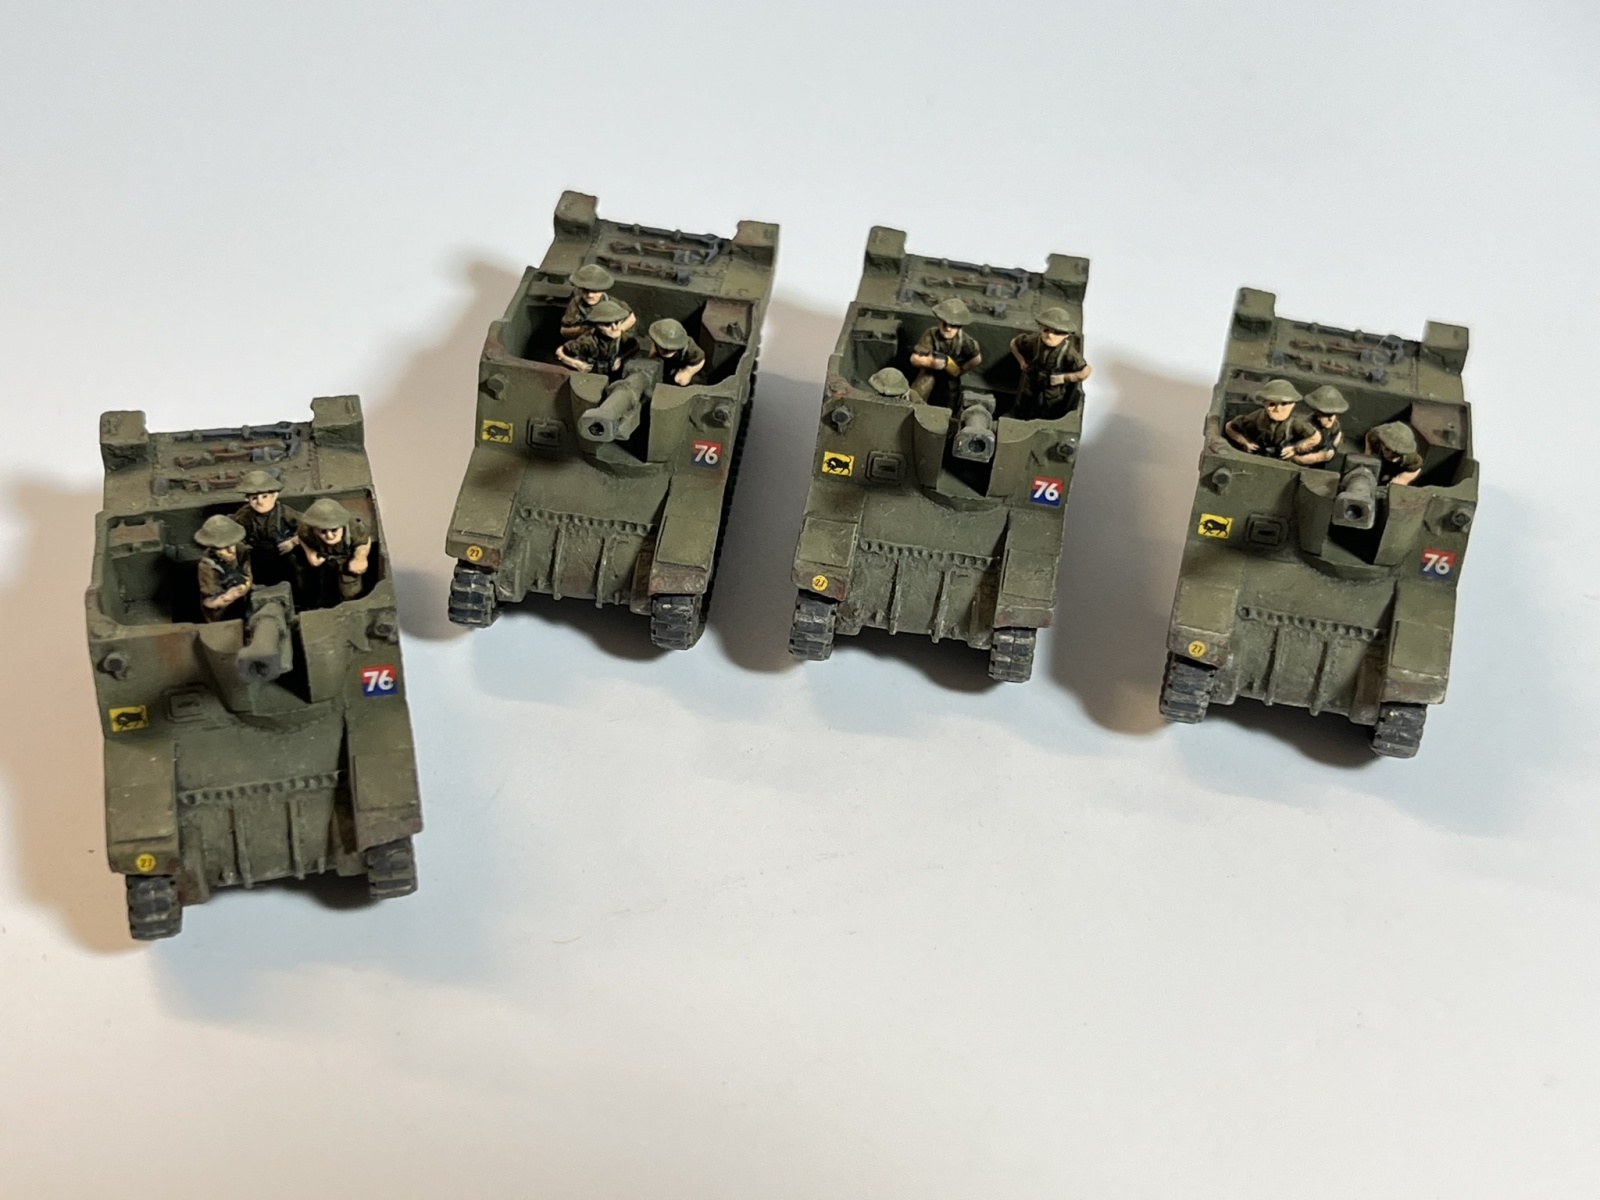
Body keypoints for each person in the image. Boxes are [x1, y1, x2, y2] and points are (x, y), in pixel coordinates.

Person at [1009, 307, 1091, 419]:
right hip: (1033, 375)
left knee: (1052, 404)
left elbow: (1085, 370)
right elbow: (1014, 343)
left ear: (1066, 334)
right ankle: (1020, 415)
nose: (1050, 336)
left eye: (1057, 332)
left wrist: (1064, 378)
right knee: (1024, 398)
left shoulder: (1068, 352)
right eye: (1046, 330)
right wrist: (1022, 361)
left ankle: (1045, 419)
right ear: (1040, 328)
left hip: (1053, 381)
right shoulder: (1034, 340)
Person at [295, 498, 373, 609]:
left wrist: (360, 557)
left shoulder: (354, 528)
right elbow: (302, 538)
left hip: (347, 564)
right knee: (326, 593)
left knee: (351, 595)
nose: (329, 536)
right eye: (323, 531)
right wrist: (310, 553)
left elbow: (364, 542)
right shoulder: (306, 530)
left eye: (334, 530)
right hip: (326, 564)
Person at [908, 298, 983, 408]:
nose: (948, 328)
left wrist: (960, 370)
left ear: (959, 326)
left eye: (953, 325)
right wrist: (931, 362)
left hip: (950, 376)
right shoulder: (931, 335)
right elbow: (914, 359)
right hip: (930, 372)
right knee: (922, 386)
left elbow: (976, 358)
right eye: (945, 324)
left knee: (951, 396)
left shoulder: (964, 340)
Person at [231, 469, 301, 586]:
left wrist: (293, 542)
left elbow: (308, 527)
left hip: (282, 554)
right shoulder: (245, 515)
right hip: (257, 556)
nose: (260, 502)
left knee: (291, 577)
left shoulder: (284, 512)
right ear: (247, 499)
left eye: (265, 496)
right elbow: (232, 531)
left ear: (274, 496)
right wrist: (242, 546)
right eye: (254, 498)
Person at [1224, 379, 1317, 457]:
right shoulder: (1257, 417)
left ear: (1292, 405)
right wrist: (1245, 443)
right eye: (1272, 404)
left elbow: (1315, 437)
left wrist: (1296, 449)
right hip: (1259, 454)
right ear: (1264, 404)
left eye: (1284, 404)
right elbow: (1229, 427)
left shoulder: (1296, 422)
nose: (1278, 409)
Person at [555, 299, 638, 379]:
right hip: (593, 378)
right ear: (597, 326)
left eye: (617, 322)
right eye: (607, 325)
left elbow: (635, 346)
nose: (615, 328)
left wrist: (621, 358)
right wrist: (576, 364)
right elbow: (559, 351)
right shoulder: (587, 341)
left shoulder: (622, 337)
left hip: (614, 377)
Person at [194, 514, 253, 623]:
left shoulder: (241, 550)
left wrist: (245, 585)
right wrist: (229, 596)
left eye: (232, 544)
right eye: (224, 548)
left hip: (245, 602)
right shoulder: (207, 566)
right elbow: (210, 602)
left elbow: (247, 573)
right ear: (213, 548)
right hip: (224, 613)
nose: (231, 551)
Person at [559, 263, 636, 337]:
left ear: (602, 290)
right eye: (585, 290)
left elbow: (632, 318)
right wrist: (586, 330)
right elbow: (564, 330)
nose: (590, 295)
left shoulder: (611, 302)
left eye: (595, 291)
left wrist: (617, 331)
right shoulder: (576, 303)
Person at [1288, 385, 1348, 466]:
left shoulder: (1334, 426)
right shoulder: (1306, 427)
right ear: (1318, 413)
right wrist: (1318, 457)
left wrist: (1331, 450)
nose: (1331, 419)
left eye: (1334, 415)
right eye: (1327, 415)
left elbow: (1331, 446)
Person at [646, 318, 706, 386]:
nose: (666, 351)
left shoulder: (690, 347)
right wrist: (653, 355)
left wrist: (688, 372)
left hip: (681, 364)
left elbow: (701, 359)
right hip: (666, 363)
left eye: (670, 349)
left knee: (681, 380)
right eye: (662, 348)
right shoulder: (657, 340)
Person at [1366, 421, 1424, 486]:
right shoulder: (1376, 435)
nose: (1390, 455)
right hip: (1380, 457)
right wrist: (1368, 456)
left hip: (1397, 468)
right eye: (1387, 449)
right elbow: (1369, 435)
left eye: (1396, 454)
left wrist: (1400, 480)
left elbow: (1417, 467)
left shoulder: (1411, 458)